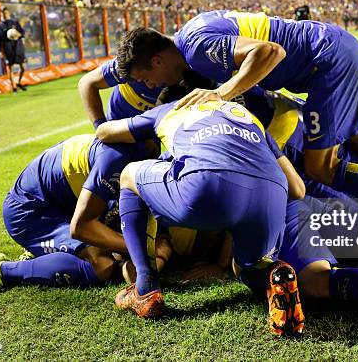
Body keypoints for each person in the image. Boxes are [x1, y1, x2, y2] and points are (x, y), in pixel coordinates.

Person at [109, 15, 358, 207]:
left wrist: (220, 93)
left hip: (325, 62)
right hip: (336, 46)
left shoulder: (196, 48)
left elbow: (270, 51)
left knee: (319, 168)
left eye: (147, 78)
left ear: (157, 60)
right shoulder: (194, 34)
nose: (152, 86)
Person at [96, 98, 308, 336]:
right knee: (248, 267)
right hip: (272, 192)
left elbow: (105, 132)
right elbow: (298, 189)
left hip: (207, 186)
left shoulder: (172, 108)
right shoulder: (246, 115)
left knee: (128, 175)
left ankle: (145, 290)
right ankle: (274, 273)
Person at [0, 134, 150, 300]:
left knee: (117, 242)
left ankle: (47, 253)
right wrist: (140, 249)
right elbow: (80, 227)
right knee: (102, 265)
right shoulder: (117, 157)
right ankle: (1, 271)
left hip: (62, 206)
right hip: (29, 213)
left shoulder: (133, 145)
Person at [0, 7, 27, 92]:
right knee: (11, 68)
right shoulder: (0, 26)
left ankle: (19, 82)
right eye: (4, 14)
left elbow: (22, 33)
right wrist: (0, 51)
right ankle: (14, 88)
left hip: (18, 46)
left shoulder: (15, 22)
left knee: (23, 67)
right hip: (8, 48)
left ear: (9, 13)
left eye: (7, 13)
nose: (6, 15)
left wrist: (17, 34)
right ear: (2, 14)